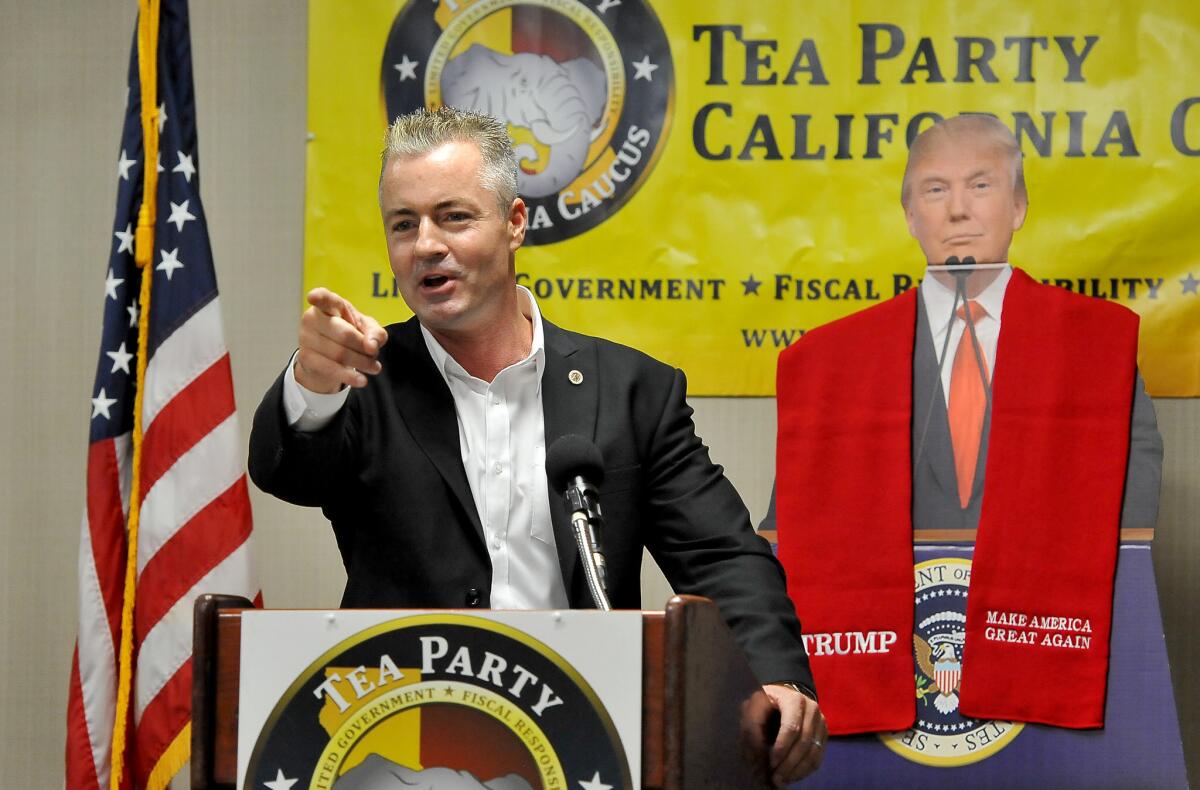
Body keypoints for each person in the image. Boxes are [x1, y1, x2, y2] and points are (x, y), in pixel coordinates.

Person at [248, 106, 825, 784]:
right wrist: (312, 384)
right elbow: (290, 470)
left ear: (516, 223)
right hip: (405, 735)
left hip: (585, 737)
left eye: (453, 217)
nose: (426, 244)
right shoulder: (365, 379)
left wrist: (777, 678)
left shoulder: (630, 391)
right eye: (403, 225)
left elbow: (722, 555)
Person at [767, 113, 1163, 734]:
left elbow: (1134, 511)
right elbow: (788, 521)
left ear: (1019, 205)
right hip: (879, 672)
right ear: (909, 216)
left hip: (1059, 652)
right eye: (934, 189)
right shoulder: (829, 361)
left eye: (979, 186)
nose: (957, 210)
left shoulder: (1097, 345)